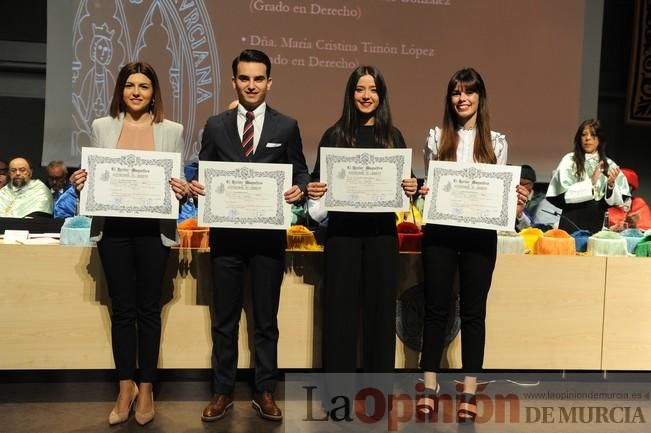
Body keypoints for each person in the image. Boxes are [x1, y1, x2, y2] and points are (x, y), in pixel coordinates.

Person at [190, 49, 309, 423]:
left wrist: (299, 189)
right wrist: (197, 185)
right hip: (225, 238)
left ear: (269, 82)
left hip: (268, 241)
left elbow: (301, 173)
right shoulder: (215, 125)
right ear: (234, 81)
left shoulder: (286, 126)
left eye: (259, 79)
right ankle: (222, 391)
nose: (252, 85)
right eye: (245, 78)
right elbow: (203, 171)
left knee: (265, 321)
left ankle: (265, 390)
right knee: (223, 319)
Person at [69, 62, 188, 426]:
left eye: (144, 86)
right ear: (120, 90)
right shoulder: (102, 127)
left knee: (149, 311)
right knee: (122, 311)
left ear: (155, 93)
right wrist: (81, 181)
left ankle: (147, 387)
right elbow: (96, 176)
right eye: (130, 85)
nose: (136, 92)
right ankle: (125, 387)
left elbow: (176, 178)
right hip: (114, 231)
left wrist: (180, 188)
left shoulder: (172, 130)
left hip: (154, 231)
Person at [418, 68, 528, 423]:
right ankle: (429, 385)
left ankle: (468, 389)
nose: (462, 99)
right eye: (456, 93)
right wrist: (425, 193)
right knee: (435, 309)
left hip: (480, 236)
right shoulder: (435, 138)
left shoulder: (496, 142)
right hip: (441, 234)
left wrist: (516, 201)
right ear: (449, 99)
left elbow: (499, 194)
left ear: (480, 97)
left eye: (469, 92)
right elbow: (430, 185)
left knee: (473, 313)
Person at [307, 65, 417, 375]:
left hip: (381, 236)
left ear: (381, 96)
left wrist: (412, 185)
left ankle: (375, 395)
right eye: (360, 89)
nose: (366, 96)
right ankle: (337, 396)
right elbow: (317, 185)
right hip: (342, 237)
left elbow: (407, 183)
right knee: (339, 316)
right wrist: (314, 189)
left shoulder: (392, 137)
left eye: (372, 90)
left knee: (379, 317)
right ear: (350, 94)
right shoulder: (335, 134)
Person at [546, 119, 630, 234]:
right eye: (584, 134)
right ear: (579, 138)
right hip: (572, 219)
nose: (587, 138)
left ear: (600, 139)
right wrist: (591, 182)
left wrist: (610, 185)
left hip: (596, 221)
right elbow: (561, 195)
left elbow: (619, 200)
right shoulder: (569, 161)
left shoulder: (609, 164)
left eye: (593, 134)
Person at [515, 164, 560, 231]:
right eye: (518, 183)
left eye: (524, 184)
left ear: (532, 184)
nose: (520, 186)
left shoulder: (541, 200)